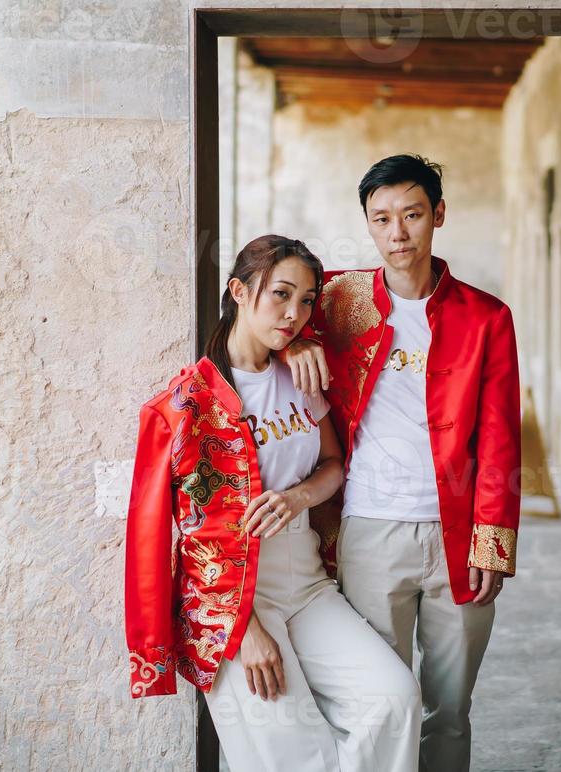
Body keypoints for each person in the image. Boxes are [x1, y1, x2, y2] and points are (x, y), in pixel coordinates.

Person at [124, 235, 421, 772]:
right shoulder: (191, 402)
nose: (295, 313)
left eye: (307, 300)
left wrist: (296, 496)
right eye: (281, 294)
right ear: (238, 290)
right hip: (235, 606)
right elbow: (190, 535)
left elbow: (332, 465)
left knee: (394, 699)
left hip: (306, 587)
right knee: (297, 758)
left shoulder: (300, 373)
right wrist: (245, 631)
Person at [284, 154, 522, 772]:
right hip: (369, 532)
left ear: (437, 215)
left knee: (449, 708)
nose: (398, 233)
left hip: (459, 536)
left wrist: (493, 543)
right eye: (381, 218)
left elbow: (499, 438)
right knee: (377, 705)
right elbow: (269, 310)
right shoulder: (337, 300)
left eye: (412, 215)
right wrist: (303, 340)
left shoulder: (486, 318)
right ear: (367, 224)